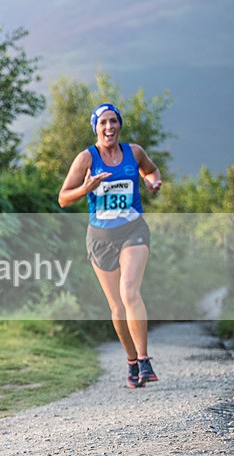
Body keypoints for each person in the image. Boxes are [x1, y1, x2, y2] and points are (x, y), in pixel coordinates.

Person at [58, 103, 163, 389]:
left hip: (133, 229)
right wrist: (86, 188)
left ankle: (144, 361)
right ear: (96, 127)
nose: (109, 127)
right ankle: (131, 362)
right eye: (103, 122)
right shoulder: (86, 158)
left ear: (120, 124)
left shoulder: (134, 152)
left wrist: (154, 182)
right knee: (116, 305)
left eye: (113, 121)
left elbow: (151, 171)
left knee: (130, 291)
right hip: (101, 238)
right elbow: (64, 198)